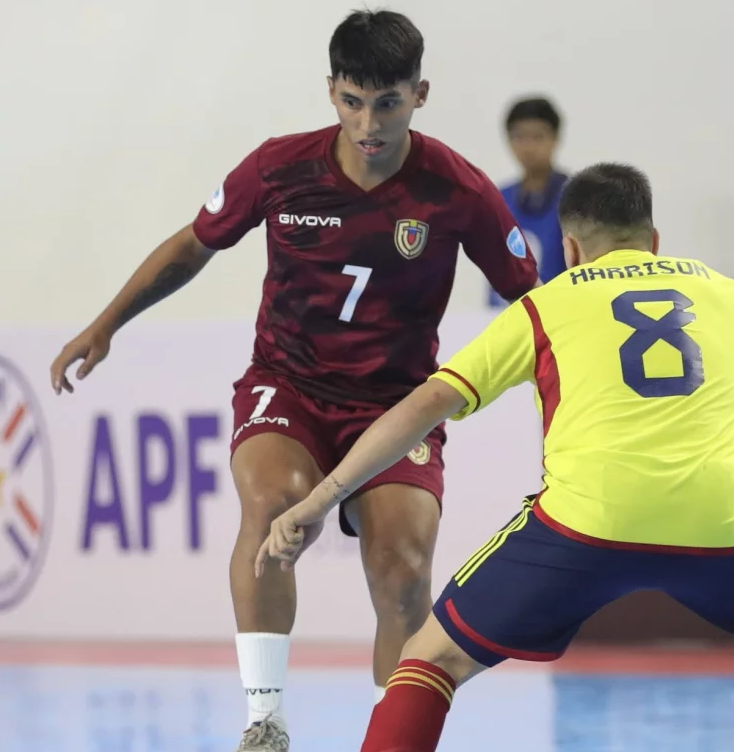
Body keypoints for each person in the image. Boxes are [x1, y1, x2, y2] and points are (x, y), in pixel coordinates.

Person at [257, 162, 734, 752]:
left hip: (583, 527)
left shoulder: (548, 305)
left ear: (569, 249)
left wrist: (322, 499)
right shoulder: (724, 292)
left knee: (429, 658)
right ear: (655, 240)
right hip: (722, 524)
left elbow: (423, 406)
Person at [49, 9, 538, 752]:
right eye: (351, 100)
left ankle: (395, 738)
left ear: (420, 93)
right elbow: (193, 245)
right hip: (290, 388)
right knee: (270, 506)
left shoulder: (458, 191)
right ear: (332, 91)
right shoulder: (279, 167)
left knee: (404, 567)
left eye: (388, 103)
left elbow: (535, 304)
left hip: (396, 405)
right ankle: (266, 722)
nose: (368, 123)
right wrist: (107, 323)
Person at [488, 97, 568, 307]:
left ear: (556, 138)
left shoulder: (575, 198)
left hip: (558, 319)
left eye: (538, 136)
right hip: (504, 317)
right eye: (520, 137)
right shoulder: (498, 198)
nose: (528, 147)